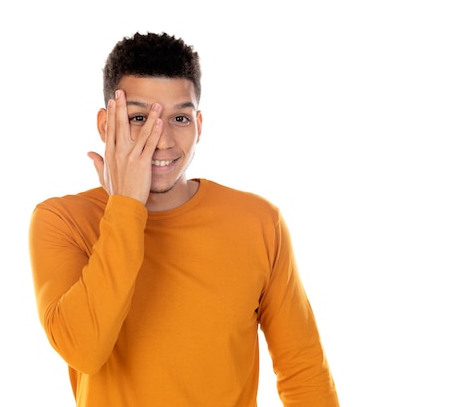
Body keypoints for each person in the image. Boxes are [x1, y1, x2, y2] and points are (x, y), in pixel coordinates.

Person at [28, 31, 339, 407]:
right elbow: (84, 349)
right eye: (139, 117)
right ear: (105, 124)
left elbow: (302, 370)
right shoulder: (62, 220)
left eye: (179, 118)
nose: (161, 140)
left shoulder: (258, 222)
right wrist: (126, 205)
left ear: (200, 126)